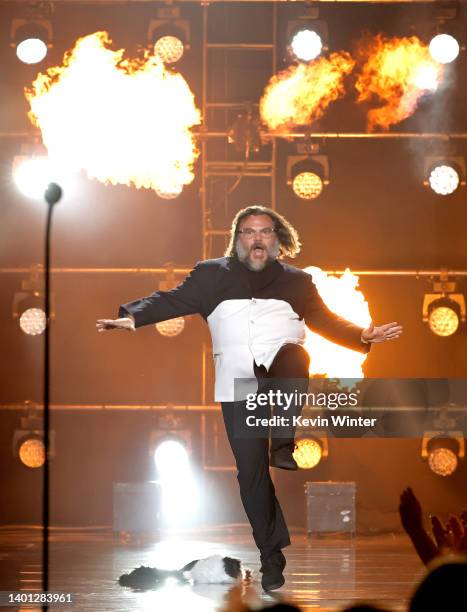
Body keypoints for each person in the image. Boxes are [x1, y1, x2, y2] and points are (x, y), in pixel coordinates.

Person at [97, 205, 403, 591]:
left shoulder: (298, 281)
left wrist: (362, 336)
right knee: (252, 477)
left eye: (265, 231)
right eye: (248, 231)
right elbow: (170, 300)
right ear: (236, 239)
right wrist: (131, 318)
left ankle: (284, 442)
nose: (257, 238)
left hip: (281, 369)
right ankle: (272, 555)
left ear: (278, 239)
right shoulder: (211, 276)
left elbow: (324, 320)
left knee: (296, 356)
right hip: (238, 383)